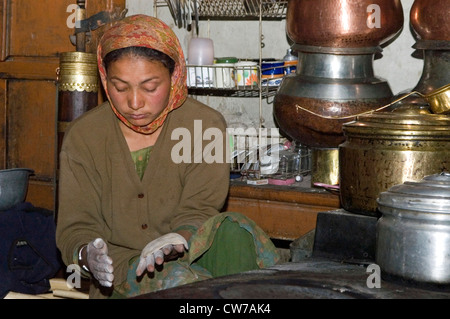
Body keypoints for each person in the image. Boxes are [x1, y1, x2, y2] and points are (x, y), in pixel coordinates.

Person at [55, 14, 280, 299]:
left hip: (189, 254)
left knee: (236, 230)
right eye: (120, 87)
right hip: (124, 274)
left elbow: (199, 211)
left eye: (150, 87)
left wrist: (178, 238)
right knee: (176, 282)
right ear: (103, 78)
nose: (134, 103)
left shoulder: (204, 127)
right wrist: (87, 255)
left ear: (175, 76)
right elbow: (76, 226)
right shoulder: (85, 136)